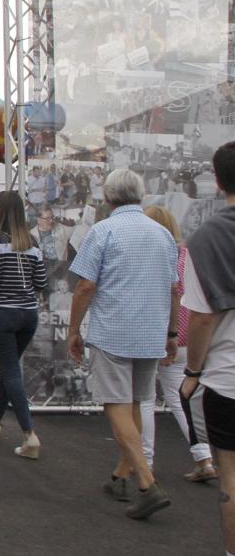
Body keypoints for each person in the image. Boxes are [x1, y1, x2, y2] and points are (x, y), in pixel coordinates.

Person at [67, 169, 177, 520]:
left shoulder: (103, 231)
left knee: (115, 403)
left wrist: (73, 329)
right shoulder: (163, 234)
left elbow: (85, 286)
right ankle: (122, 474)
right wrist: (172, 333)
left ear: (108, 196)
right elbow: (175, 289)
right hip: (151, 332)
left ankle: (146, 482)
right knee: (135, 404)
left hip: (114, 330)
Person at [179, 141, 235, 555]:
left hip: (228, 377)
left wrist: (193, 372)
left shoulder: (209, 237)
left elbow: (201, 317)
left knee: (231, 480)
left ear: (216, 181)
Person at [138, 206, 215, 482]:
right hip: (186, 338)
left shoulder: (154, 258)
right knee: (181, 399)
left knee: (145, 399)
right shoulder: (188, 257)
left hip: (158, 335)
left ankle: (145, 463)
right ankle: (203, 457)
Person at [0, 191, 46, 458]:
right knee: (9, 370)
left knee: (9, 371)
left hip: (2, 314)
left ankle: (29, 434)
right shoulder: (33, 242)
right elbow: (41, 283)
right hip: (28, 314)